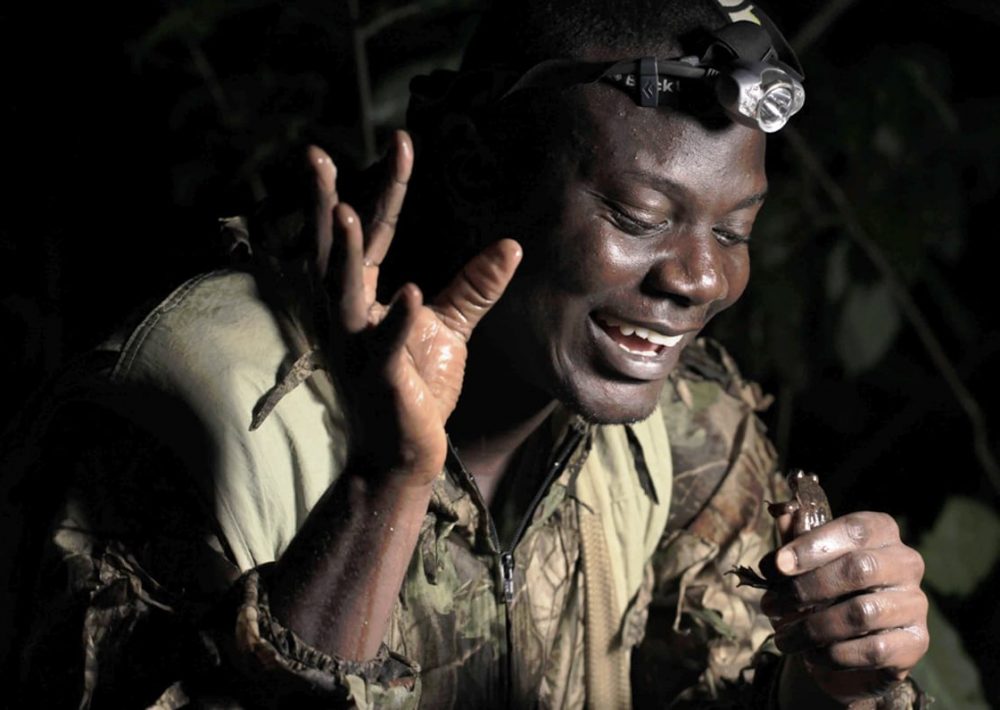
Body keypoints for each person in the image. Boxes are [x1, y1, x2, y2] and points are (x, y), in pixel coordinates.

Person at [3, 0, 929, 707]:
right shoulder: (191, 403)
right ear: (480, 171)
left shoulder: (676, 425)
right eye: (639, 218)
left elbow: (732, 683)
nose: (699, 280)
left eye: (735, 231)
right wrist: (385, 488)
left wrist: (837, 674)